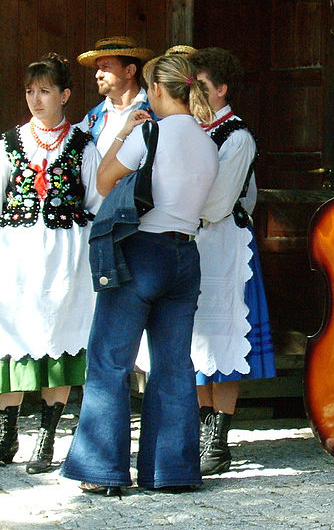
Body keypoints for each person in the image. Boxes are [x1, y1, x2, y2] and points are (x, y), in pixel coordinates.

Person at [61, 54, 219, 495]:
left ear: (155, 90)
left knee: (111, 360)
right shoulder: (209, 142)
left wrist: (124, 134)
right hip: (185, 256)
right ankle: (172, 471)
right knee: (172, 366)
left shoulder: (149, 131)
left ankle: (102, 469)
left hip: (141, 250)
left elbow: (106, 182)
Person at [0, 54, 101, 474]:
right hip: (18, 256)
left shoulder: (82, 144)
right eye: (30, 91)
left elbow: (95, 200)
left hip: (66, 257)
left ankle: (46, 435)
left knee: (60, 336)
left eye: (44, 91)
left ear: (64, 95)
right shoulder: (9, 143)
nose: (35, 100)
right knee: (12, 337)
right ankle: (6, 432)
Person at [188, 47, 276, 475]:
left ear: (221, 89)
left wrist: (177, 207)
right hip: (194, 243)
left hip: (223, 245)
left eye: (202, 86)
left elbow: (222, 202)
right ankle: (204, 432)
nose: (195, 94)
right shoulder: (191, 130)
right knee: (198, 337)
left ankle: (219, 439)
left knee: (225, 334)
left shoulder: (237, 136)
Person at [76, 36, 154, 156]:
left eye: (105, 67)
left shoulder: (156, 110)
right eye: (97, 68)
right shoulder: (93, 118)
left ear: (129, 71)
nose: (98, 74)